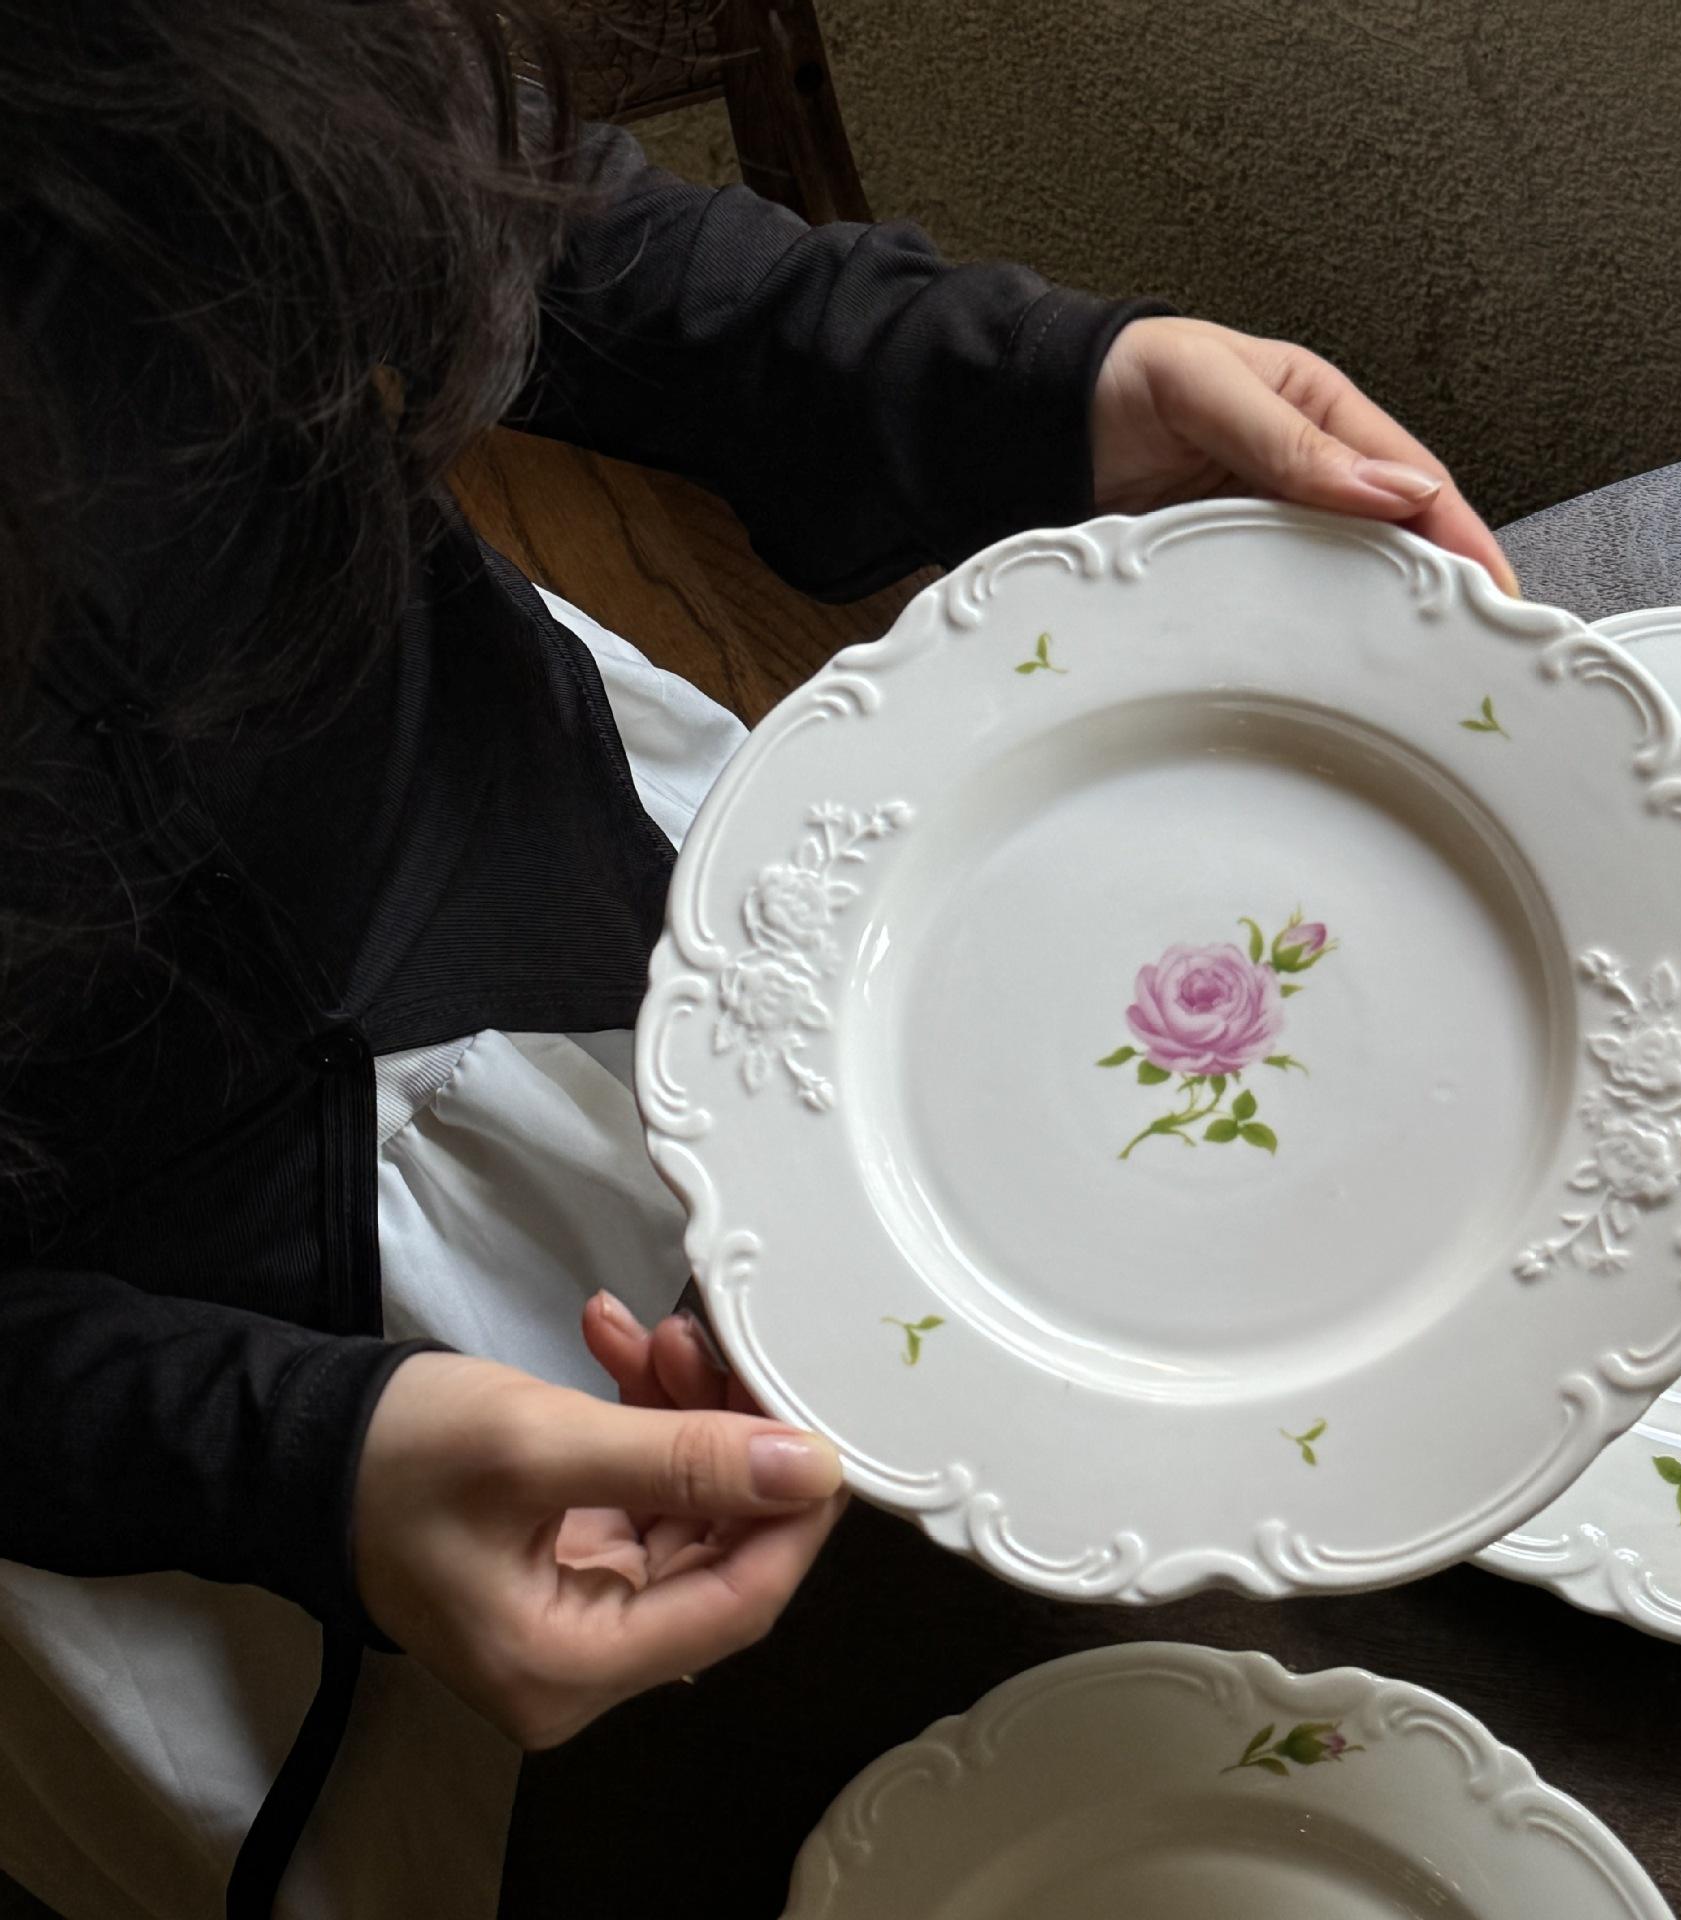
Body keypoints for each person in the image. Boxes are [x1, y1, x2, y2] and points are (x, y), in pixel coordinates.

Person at [0, 2, 1517, 1914]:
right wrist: (298, 1464)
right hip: (147, 1413)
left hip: (606, 881)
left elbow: (481, 196)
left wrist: (1050, 378)